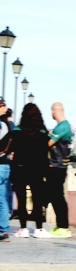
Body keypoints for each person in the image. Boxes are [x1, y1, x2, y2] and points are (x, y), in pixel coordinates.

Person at [10, 103, 50, 238]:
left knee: (21, 199)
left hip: (20, 168)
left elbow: (11, 148)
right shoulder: (43, 132)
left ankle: (23, 228)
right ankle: (39, 228)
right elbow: (46, 151)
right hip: (37, 169)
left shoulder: (17, 131)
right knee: (37, 199)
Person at [46, 102, 75, 238]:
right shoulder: (65, 126)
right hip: (59, 165)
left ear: (54, 112)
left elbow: (48, 144)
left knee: (57, 197)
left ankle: (63, 227)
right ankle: (60, 226)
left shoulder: (62, 127)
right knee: (55, 196)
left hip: (57, 166)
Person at [0, 99, 13, 242]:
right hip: (4, 165)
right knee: (2, 198)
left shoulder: (1, 125)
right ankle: (4, 229)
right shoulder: (9, 125)